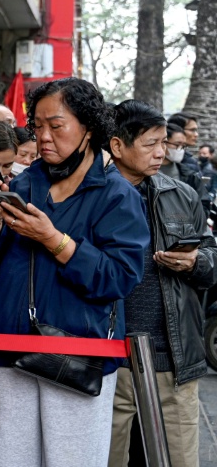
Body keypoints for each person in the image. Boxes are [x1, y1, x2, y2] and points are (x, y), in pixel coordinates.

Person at [0, 77, 149, 466]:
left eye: (56, 125)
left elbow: (120, 277)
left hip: (76, 354)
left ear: (88, 128)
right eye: (37, 126)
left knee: (72, 459)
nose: (44, 137)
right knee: (6, 459)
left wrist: (55, 240)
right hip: (12, 347)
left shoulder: (117, 196)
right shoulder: (25, 182)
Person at [108, 100, 217, 467]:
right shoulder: (92, 197)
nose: (160, 153)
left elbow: (212, 259)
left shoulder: (180, 194)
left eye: (163, 143)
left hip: (174, 358)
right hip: (110, 362)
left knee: (181, 459)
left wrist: (195, 262)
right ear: (117, 145)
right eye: (150, 143)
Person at [160, 123, 210, 216]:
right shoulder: (146, 172)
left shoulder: (189, 174)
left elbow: (203, 204)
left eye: (183, 146)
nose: (180, 149)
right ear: (163, 142)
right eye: (177, 144)